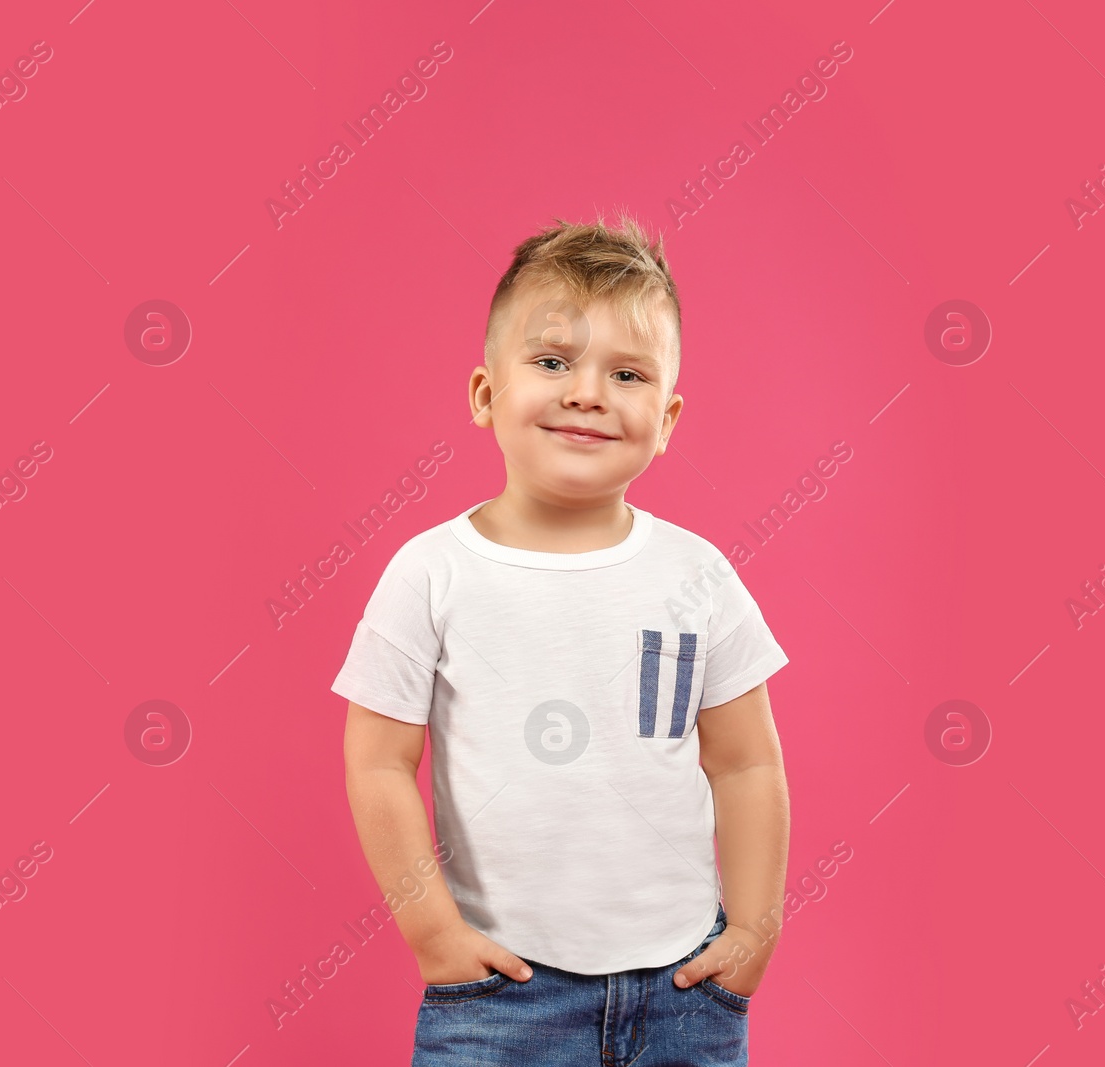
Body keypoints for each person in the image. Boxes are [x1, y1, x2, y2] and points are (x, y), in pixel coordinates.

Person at [333, 211, 791, 1065]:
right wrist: (432, 929)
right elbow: (378, 760)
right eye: (552, 362)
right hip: (500, 993)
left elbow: (746, 762)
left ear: (668, 418)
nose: (587, 392)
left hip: (684, 988)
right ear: (484, 394)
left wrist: (754, 928)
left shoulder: (701, 575)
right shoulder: (431, 573)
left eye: (627, 373)